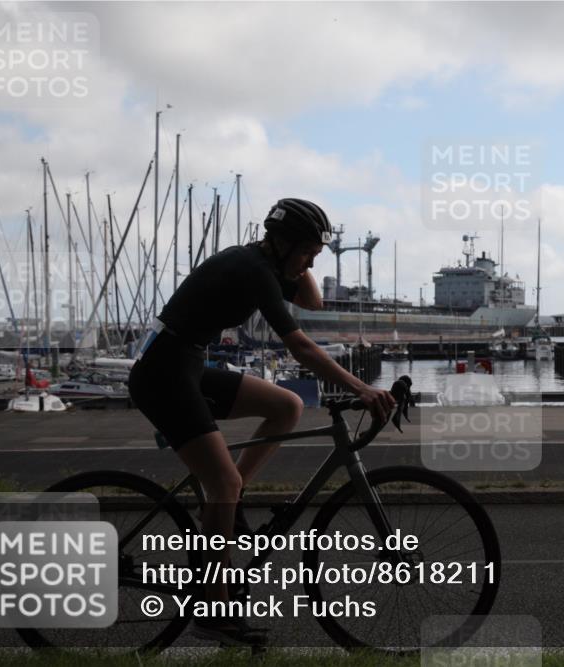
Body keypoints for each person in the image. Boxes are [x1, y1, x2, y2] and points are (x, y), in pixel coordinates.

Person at [128, 198, 396, 645]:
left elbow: (312, 298)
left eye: (316, 254)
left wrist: (303, 254)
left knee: (286, 407)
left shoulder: (269, 265)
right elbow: (302, 348)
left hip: (187, 364)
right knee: (223, 487)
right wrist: (362, 389)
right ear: (283, 243)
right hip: (162, 374)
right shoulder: (252, 269)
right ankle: (213, 615)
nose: (312, 261)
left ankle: (227, 502)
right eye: (308, 251)